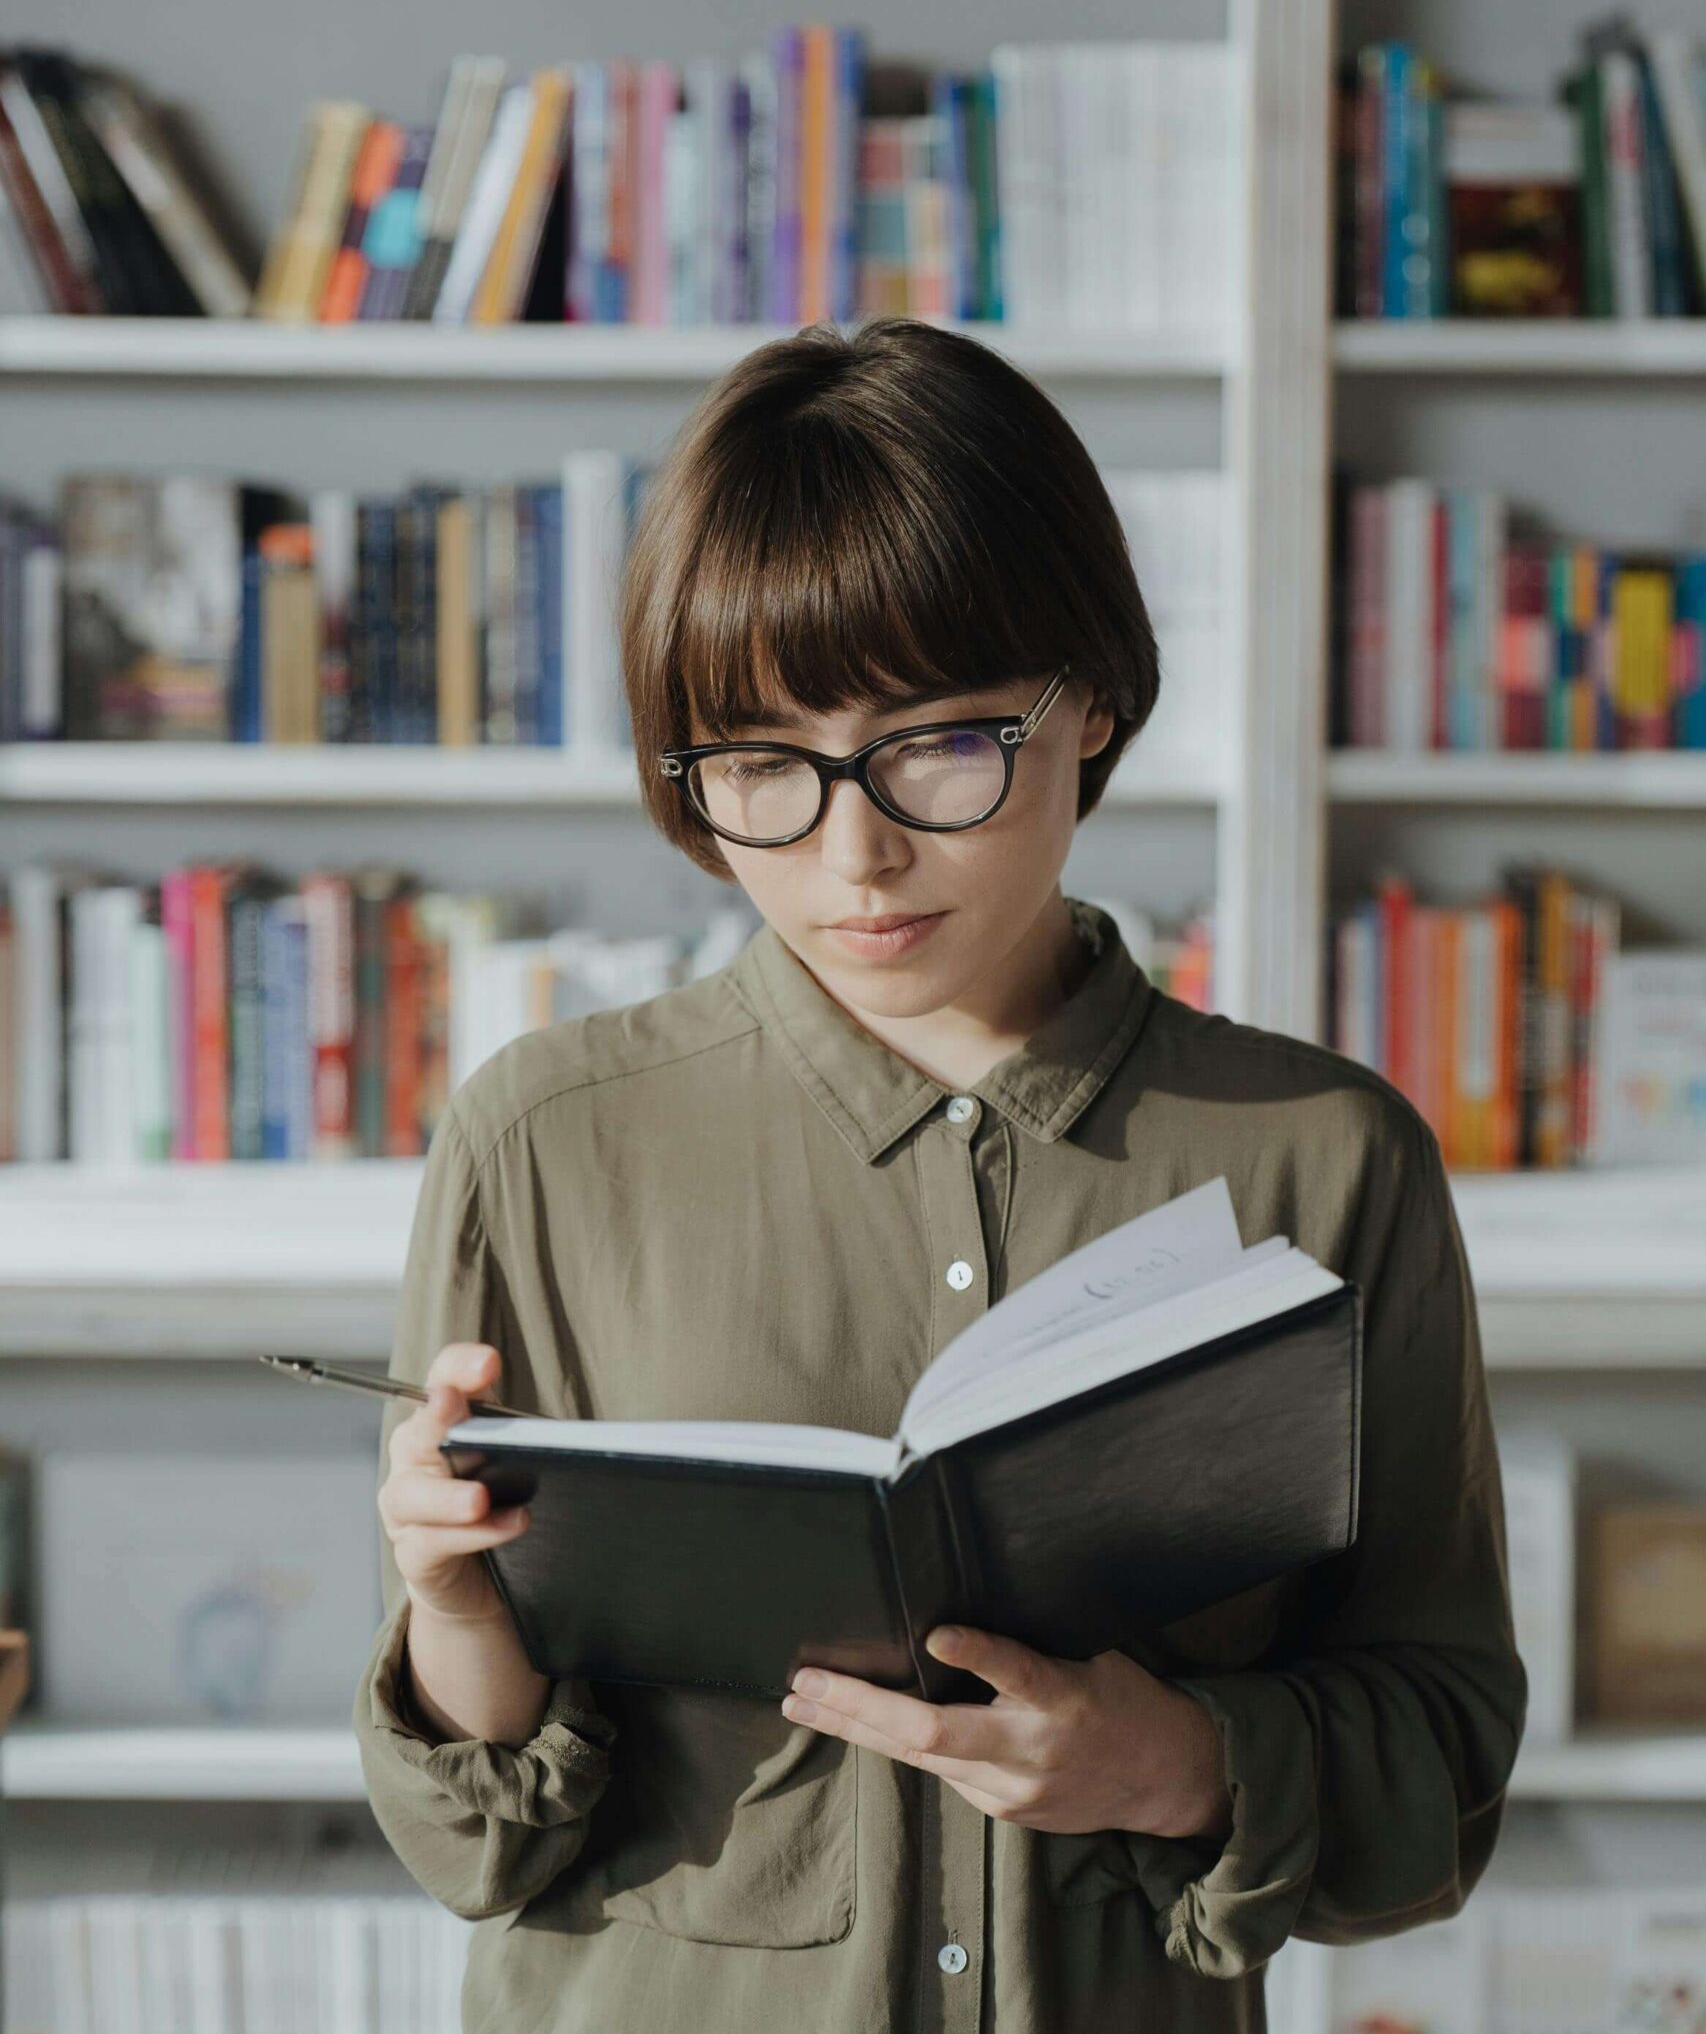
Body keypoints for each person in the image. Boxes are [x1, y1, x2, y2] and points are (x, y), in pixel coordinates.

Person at [353, 317, 1525, 2034]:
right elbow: (474, 1847)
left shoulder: (1323, 1159)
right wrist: (449, 1605)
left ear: (1091, 702)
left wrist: (1169, 1764)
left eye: (940, 743)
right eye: (761, 762)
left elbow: (1439, 1763)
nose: (855, 852)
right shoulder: (546, 1138)